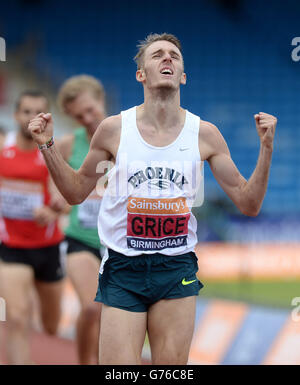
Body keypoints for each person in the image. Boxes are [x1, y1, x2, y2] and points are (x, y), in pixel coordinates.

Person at [28, 33, 277, 365]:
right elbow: (75, 193)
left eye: (174, 55)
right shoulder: (114, 129)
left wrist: (266, 148)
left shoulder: (205, 134)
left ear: (183, 75)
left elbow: (249, 204)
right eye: (157, 55)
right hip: (123, 267)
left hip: (176, 269)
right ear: (140, 74)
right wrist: (46, 145)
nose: (167, 59)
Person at [0, 90, 65, 365]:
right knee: (16, 317)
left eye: (38, 112)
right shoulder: (3, 147)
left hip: (48, 247)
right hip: (11, 247)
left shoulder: (52, 149)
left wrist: (53, 210)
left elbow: (67, 196)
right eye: (26, 111)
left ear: (46, 117)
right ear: (16, 115)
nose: (31, 118)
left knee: (51, 326)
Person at [56, 75, 106, 364]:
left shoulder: (129, 138)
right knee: (91, 308)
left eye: (91, 110)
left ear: (101, 100)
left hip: (121, 244)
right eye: (79, 116)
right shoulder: (66, 145)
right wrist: (57, 203)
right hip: (80, 239)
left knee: (114, 316)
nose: (87, 119)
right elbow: (54, 187)